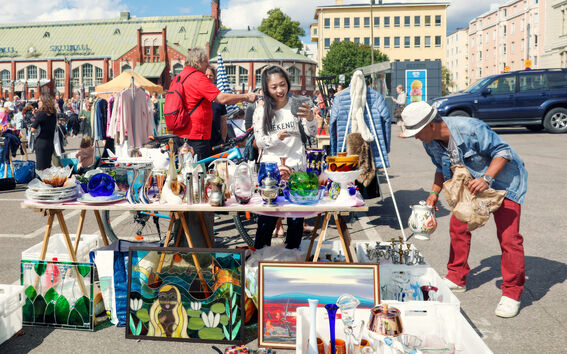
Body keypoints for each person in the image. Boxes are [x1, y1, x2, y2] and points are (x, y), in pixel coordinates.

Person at [401, 101, 528, 318]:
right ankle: (456, 278)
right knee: (458, 228)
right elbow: (441, 167)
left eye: (416, 132)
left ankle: (512, 293)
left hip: (504, 182)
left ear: (430, 125)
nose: (415, 137)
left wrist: (487, 178)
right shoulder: (429, 141)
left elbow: (503, 152)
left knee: (509, 238)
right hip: (468, 184)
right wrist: (434, 193)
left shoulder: (470, 128)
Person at [252, 65, 318, 249]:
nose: (280, 90)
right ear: (266, 89)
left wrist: (311, 118)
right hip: (271, 171)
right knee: (266, 221)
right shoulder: (262, 109)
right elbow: (260, 142)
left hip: (297, 168)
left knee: (296, 221)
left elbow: (311, 133)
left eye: (282, 85)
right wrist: (277, 137)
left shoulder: (298, 105)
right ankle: (260, 260)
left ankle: (292, 260)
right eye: (274, 87)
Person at [172, 47, 257, 160]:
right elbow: (221, 98)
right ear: (197, 62)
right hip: (196, 137)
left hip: (179, 136)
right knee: (200, 172)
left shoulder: (178, 78)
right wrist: (246, 96)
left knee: (183, 171)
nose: (208, 65)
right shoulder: (197, 78)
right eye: (206, 62)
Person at [31, 94, 58, 170]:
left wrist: (36, 117)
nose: (38, 102)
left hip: (41, 142)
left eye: (39, 101)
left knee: (40, 168)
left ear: (44, 102)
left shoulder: (41, 114)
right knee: (47, 167)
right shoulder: (53, 114)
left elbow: (33, 129)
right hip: (50, 143)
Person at [205, 65, 228, 149]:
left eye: (210, 75)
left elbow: (223, 120)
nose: (208, 77)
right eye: (206, 75)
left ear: (214, 78)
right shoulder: (198, 95)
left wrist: (223, 138)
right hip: (202, 141)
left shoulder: (219, 96)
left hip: (216, 141)